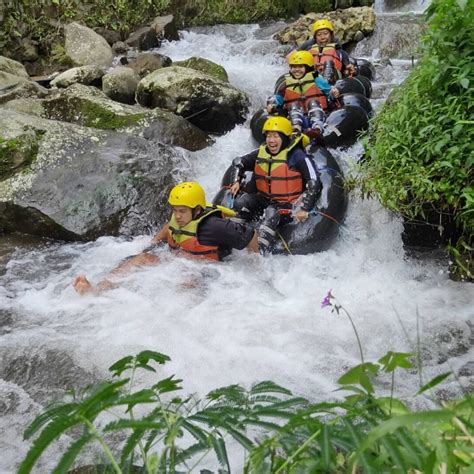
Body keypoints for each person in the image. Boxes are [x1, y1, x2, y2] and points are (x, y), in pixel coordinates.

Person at [73, 182, 258, 295]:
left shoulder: (215, 226)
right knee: (141, 258)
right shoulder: (179, 218)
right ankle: (97, 290)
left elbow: (251, 235)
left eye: (182, 211)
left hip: (205, 269)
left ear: (198, 211)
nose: (177, 215)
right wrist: (153, 241)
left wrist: (254, 263)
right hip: (177, 260)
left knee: (187, 279)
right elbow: (169, 226)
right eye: (175, 210)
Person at [229, 116, 321, 255]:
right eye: (268, 136)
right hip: (265, 199)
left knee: (271, 213)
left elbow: (314, 181)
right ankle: (231, 239)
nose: (271, 140)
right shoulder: (262, 152)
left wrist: (304, 208)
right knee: (242, 202)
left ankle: (259, 253)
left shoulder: (297, 156)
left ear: (284, 137)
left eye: (276, 136)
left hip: (288, 205)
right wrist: (236, 181)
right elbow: (238, 162)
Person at [266, 50, 340, 139]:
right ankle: (296, 130)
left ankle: (317, 129)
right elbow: (279, 98)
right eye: (294, 67)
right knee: (293, 105)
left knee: (313, 102)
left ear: (308, 67)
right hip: (297, 119)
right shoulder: (286, 84)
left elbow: (328, 92)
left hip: (319, 116)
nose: (297, 69)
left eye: (300, 66)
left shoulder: (317, 80)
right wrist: (272, 104)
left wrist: (333, 93)